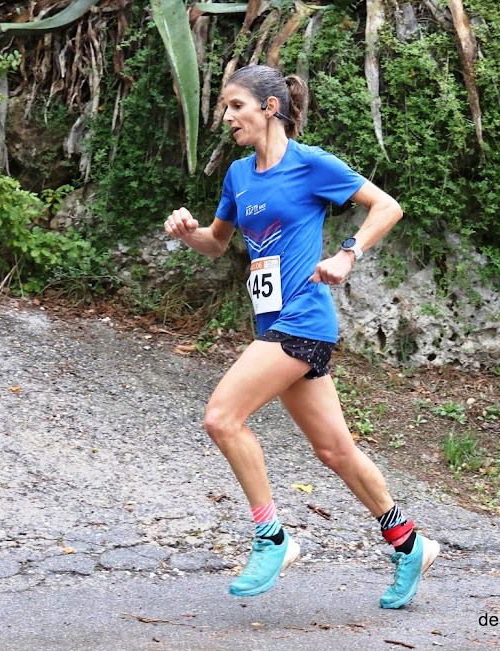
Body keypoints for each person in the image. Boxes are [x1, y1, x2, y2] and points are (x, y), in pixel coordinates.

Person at [163, 64, 439, 609]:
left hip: (303, 322)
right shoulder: (239, 176)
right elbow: (218, 244)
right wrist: (187, 232)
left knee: (222, 417)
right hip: (273, 325)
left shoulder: (311, 165)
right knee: (334, 450)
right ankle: (409, 543)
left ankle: (271, 536)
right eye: (224, 107)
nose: (227, 117)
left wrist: (347, 253)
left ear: (269, 108)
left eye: (236, 106)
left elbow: (388, 206)